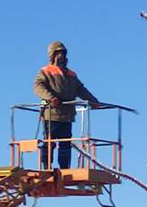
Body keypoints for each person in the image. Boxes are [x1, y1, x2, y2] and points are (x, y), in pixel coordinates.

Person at [33, 41, 100, 170]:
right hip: (52, 114)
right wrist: (51, 98)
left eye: (63, 54)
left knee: (65, 143)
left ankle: (64, 168)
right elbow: (38, 87)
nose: (61, 57)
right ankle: (46, 166)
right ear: (52, 55)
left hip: (67, 115)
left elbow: (80, 89)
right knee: (49, 142)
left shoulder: (71, 74)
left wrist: (93, 101)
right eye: (58, 54)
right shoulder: (45, 72)